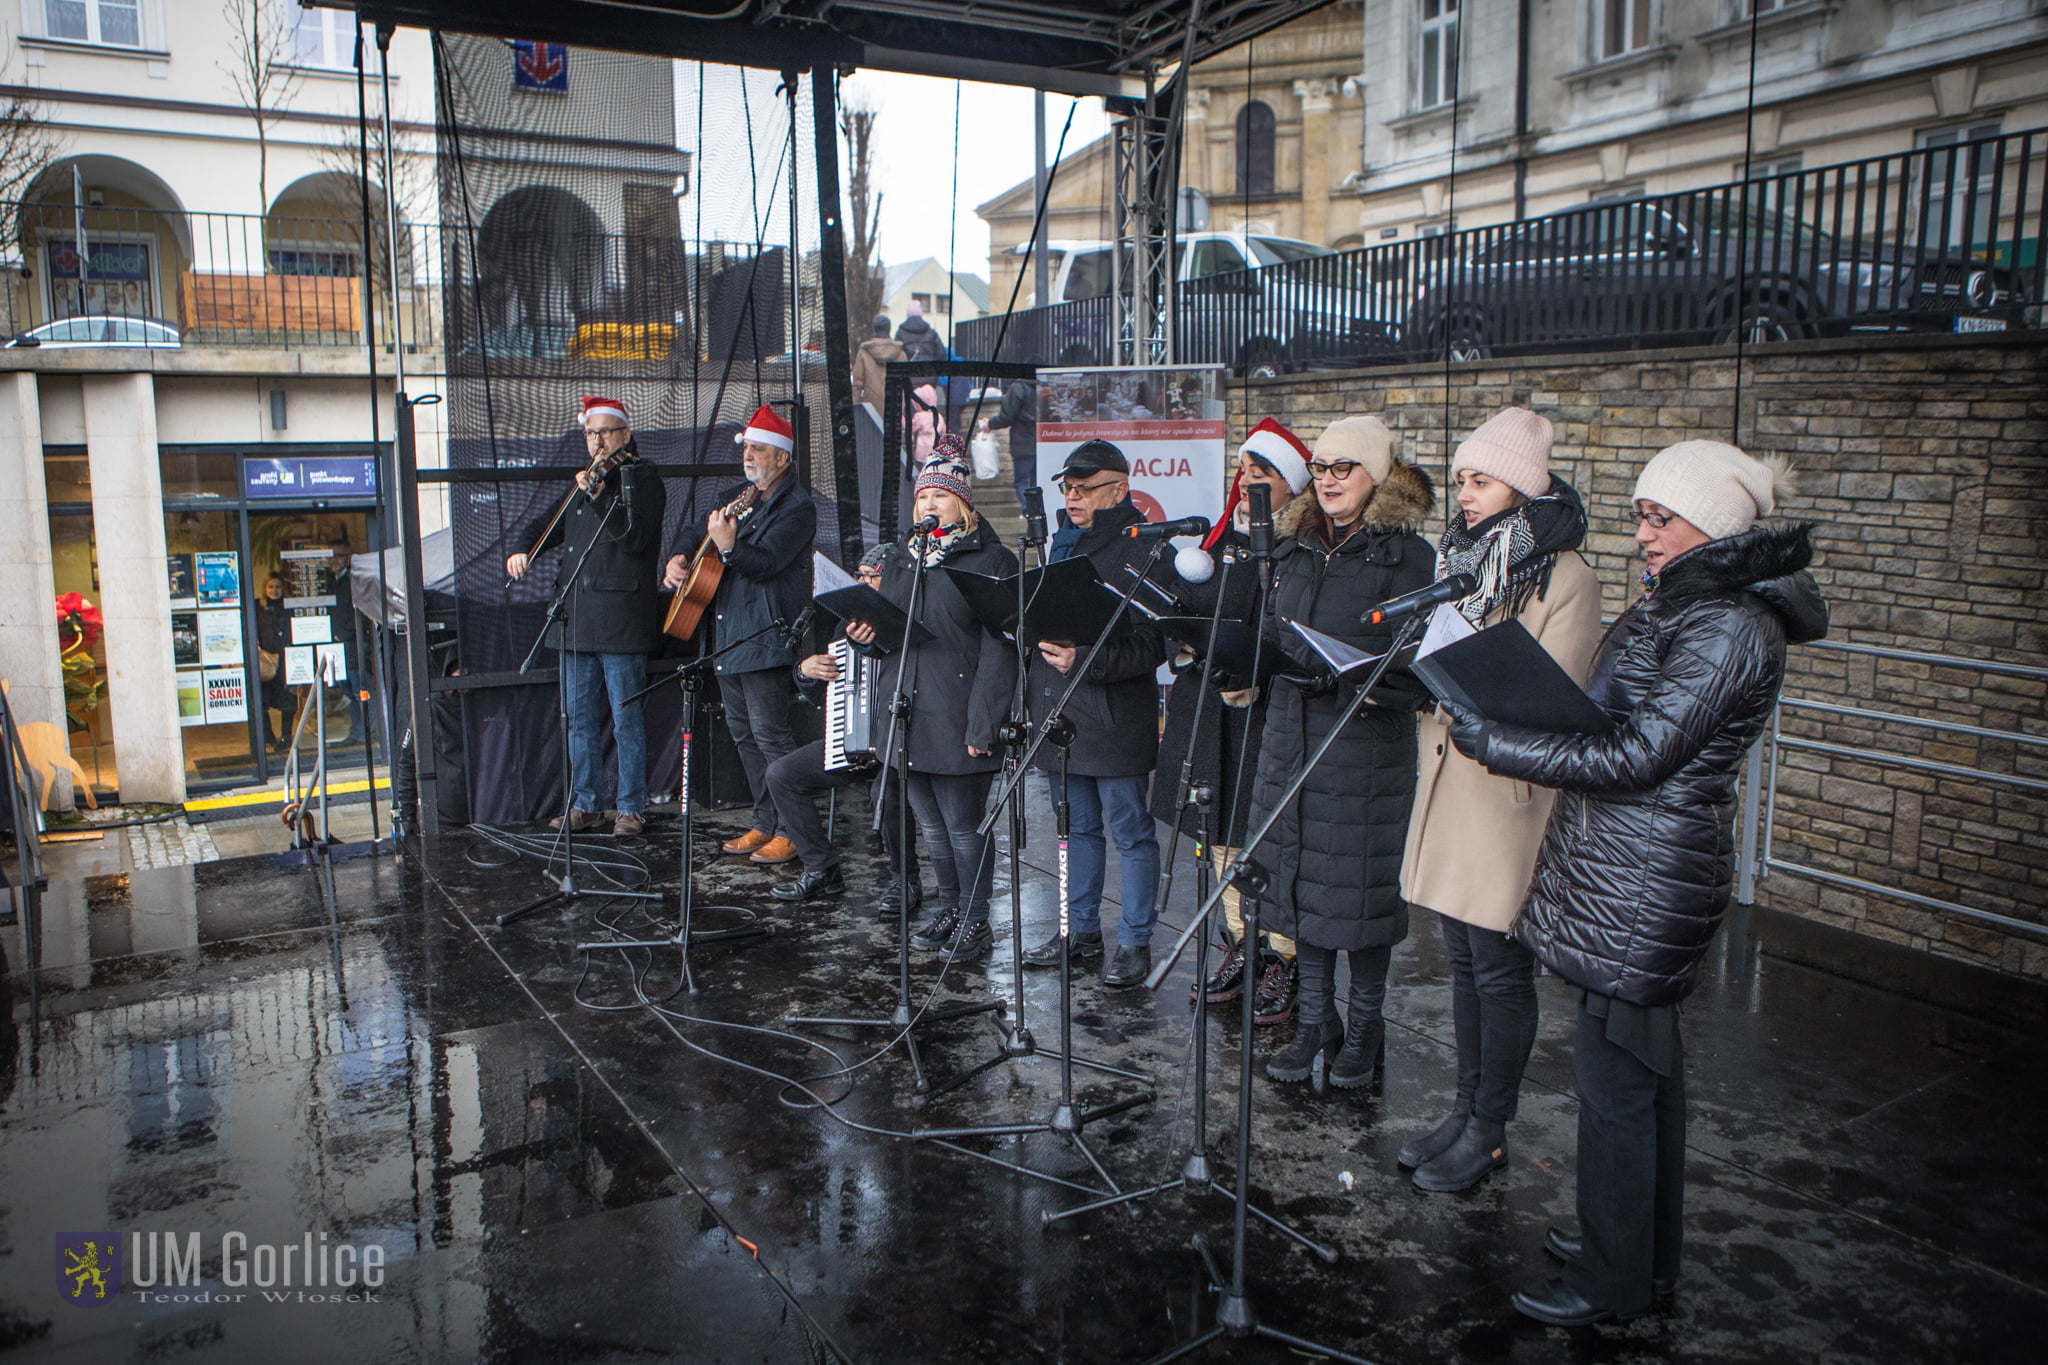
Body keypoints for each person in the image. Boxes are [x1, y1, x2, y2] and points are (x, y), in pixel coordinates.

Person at [1438, 441, 1826, 1326]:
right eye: (1642, 516)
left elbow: (1641, 752)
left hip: (1651, 873)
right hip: (1628, 865)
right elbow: (1618, 715)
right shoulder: (1691, 603)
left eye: (1660, 518)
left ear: (1715, 527)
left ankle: (1615, 1283)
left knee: (1617, 1084)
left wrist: (1502, 744)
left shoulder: (1726, 622)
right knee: (1641, 1075)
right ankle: (1634, 1249)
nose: (1642, 535)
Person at [1397, 408, 1602, 1193]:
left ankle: (1490, 1127)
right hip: (1454, 780)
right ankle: (1463, 1110)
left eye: (1480, 480)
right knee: (1462, 961)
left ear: (1520, 486)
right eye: (1460, 480)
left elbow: (1554, 690)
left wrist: (1474, 682)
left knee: (1499, 969)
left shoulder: (1565, 575)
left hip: (1507, 795)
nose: (1466, 494)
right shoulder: (1464, 560)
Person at [1245, 416, 1434, 1089]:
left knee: (1360, 898)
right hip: (1290, 740)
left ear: (1376, 474)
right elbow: (1271, 627)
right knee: (1303, 892)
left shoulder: (1406, 556)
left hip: (1363, 749)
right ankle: (1315, 1021)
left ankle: (1363, 1030)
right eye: (1320, 467)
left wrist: (1361, 675)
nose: (1326, 479)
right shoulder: (1292, 545)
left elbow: (1417, 660)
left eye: (1342, 468)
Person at [1153, 419, 1316, 1027]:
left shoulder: (1294, 553)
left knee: (1263, 841)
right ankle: (1242, 944)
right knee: (1217, 837)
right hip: (1206, 713)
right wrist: (1183, 640)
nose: (1248, 478)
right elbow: (1179, 611)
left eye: (1263, 471)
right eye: (1244, 467)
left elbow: (1292, 640)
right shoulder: (1212, 546)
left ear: (1290, 487)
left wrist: (1257, 675)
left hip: (1262, 719)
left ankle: (1282, 958)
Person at [843, 439, 1019, 962]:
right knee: (932, 827)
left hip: (960, 717)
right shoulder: (902, 559)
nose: (928, 506)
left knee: (964, 827)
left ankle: (977, 918)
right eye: (922, 498)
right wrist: (864, 633)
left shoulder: (992, 561)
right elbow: (890, 632)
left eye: (939, 497)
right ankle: (950, 905)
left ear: (963, 501)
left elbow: (1001, 652)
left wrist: (983, 725)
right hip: (906, 715)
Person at [1019, 439, 1168, 988]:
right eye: (1068, 488)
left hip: (1116, 716)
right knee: (1074, 828)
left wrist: (1089, 661)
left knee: (1130, 830)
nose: (1073, 497)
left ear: (1120, 489)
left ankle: (1135, 940)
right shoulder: (1060, 545)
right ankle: (1079, 932)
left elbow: (1156, 646)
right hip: (1063, 716)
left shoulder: (1148, 549)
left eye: (1085, 488)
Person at [506, 396, 668, 838]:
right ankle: (588, 803)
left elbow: (634, 540)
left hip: (620, 621)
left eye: (606, 432)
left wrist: (598, 496)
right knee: (577, 718)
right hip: (575, 620)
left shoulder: (643, 477)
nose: (597, 441)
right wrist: (523, 547)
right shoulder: (582, 484)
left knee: (626, 719)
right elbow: (547, 524)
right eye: (591, 433)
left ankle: (631, 807)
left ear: (625, 435)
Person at [663, 403, 818, 862]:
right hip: (727, 634)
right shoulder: (739, 494)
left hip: (766, 637)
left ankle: (793, 830)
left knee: (771, 736)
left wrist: (729, 549)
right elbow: (694, 529)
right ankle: (765, 821)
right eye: (747, 446)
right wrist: (678, 555)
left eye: (759, 448)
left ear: (783, 458)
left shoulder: (798, 508)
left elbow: (768, 564)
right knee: (743, 733)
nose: (749, 455)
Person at [761, 544, 920, 906]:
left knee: (887, 790)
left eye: (870, 577)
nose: (862, 584)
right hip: (852, 742)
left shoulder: (909, 621)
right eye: (858, 576)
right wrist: (806, 672)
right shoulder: (843, 626)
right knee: (781, 774)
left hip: (900, 747)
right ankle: (822, 868)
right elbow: (830, 699)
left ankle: (906, 880)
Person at [976, 380, 1038, 509]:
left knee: (1021, 482)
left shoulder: (1018, 388)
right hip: (1043, 441)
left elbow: (1007, 416)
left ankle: (1030, 512)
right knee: (1036, 482)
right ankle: (1038, 514)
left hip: (1023, 442)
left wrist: (990, 424)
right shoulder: (1044, 385)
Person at [254, 574, 298, 752]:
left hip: (286, 658)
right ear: (265, 588)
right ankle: (268, 735)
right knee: (262, 699)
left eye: (278, 587)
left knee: (288, 698)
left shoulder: (289, 607)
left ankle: (286, 737)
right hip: (265, 659)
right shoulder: (258, 607)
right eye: (270, 587)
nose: (274, 590)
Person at [852, 313, 904, 408]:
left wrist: (853, 408)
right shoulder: (901, 353)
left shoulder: (864, 352)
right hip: (895, 407)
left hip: (872, 408)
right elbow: (906, 383)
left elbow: (857, 384)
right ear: (889, 329)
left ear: (874, 328)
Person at [895, 299, 946, 366]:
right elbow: (942, 354)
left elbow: (896, 356)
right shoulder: (931, 332)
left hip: (909, 373)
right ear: (921, 313)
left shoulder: (900, 333)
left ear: (907, 314)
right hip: (929, 373)